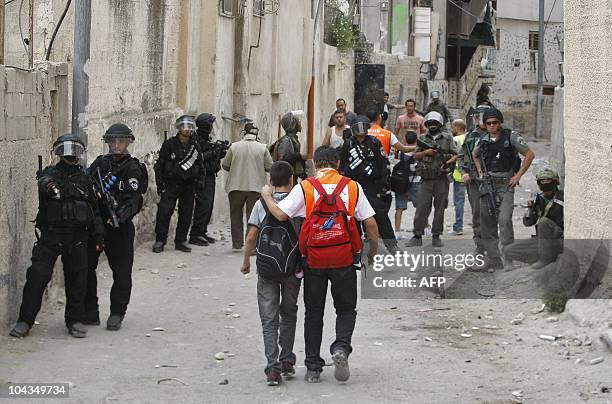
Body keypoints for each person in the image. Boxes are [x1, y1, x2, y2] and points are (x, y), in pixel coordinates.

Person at [260, 146, 379, 384]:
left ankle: (313, 367)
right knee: (346, 309)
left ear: (315, 164)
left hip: (313, 259)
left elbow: (281, 215)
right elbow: (371, 223)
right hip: (344, 258)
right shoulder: (352, 186)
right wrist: (371, 253)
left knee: (313, 312)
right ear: (337, 164)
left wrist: (266, 196)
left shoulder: (306, 187)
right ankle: (341, 348)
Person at [9, 134, 105, 338]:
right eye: (67, 150)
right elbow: (44, 184)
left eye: (75, 150)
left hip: (78, 237)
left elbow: (95, 210)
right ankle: (25, 321)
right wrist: (48, 186)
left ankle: (75, 321)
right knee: (37, 277)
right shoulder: (50, 174)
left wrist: (98, 236)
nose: (71, 154)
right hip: (52, 237)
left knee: (78, 280)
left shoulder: (86, 179)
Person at [240, 161, 301, 386]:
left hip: (266, 267)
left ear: (270, 182)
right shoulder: (298, 202)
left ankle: (272, 368)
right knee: (289, 312)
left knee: (269, 318)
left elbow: (251, 236)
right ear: (291, 180)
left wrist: (246, 261)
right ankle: (287, 360)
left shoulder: (261, 205)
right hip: (292, 268)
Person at [84, 123, 147, 331]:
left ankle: (117, 313)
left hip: (119, 227)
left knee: (121, 274)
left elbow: (135, 199)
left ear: (128, 142)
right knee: (85, 269)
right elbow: (87, 186)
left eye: (121, 141)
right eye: (113, 141)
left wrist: (120, 214)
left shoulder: (132, 167)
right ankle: (90, 312)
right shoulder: (100, 164)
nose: (117, 145)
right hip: (96, 225)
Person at [472, 108, 535, 271]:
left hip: (506, 184)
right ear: (484, 125)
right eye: (488, 123)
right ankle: (494, 260)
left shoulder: (511, 136)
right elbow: (475, 154)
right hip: (487, 184)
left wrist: (518, 175)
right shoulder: (483, 139)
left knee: (505, 220)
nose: (492, 126)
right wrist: (480, 171)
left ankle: (509, 258)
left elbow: (529, 154)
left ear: (500, 122)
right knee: (487, 223)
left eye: (495, 122)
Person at [340, 116, 398, 253]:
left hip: (372, 186)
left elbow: (383, 165)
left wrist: (384, 186)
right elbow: (342, 165)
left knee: (380, 215)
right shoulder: (348, 144)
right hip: (353, 186)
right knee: (353, 218)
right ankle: (356, 246)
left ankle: (392, 245)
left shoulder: (374, 142)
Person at [406, 111, 459, 248]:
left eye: (435, 123)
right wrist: (426, 153)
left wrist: (447, 164)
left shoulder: (447, 138)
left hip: (441, 179)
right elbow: (415, 156)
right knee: (422, 208)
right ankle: (417, 235)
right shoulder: (422, 138)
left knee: (440, 208)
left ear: (440, 124)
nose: (433, 125)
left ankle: (436, 235)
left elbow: (456, 155)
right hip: (426, 179)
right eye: (430, 123)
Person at [152, 115, 204, 253]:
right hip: (171, 184)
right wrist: (160, 183)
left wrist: (200, 184)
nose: (186, 129)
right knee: (164, 212)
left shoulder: (195, 146)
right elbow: (160, 165)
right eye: (184, 127)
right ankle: (160, 240)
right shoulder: (169, 144)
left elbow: (200, 165)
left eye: (189, 127)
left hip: (189, 185)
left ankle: (180, 240)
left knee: (186, 214)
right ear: (179, 128)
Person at [222, 122, 273, 250]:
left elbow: (225, 165)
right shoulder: (262, 148)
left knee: (235, 214)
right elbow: (270, 167)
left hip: (235, 187)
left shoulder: (234, 147)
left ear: (244, 133)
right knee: (253, 217)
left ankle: (237, 243)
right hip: (255, 188)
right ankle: (251, 244)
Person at [504, 168, 563, 269]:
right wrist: (531, 209)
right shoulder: (539, 198)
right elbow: (528, 223)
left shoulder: (562, 197)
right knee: (508, 250)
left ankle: (545, 259)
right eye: (542, 181)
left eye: (548, 181)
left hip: (558, 240)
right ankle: (541, 257)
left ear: (555, 182)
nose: (545, 183)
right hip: (542, 242)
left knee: (544, 222)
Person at [189, 113, 227, 246]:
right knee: (203, 205)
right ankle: (195, 234)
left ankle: (202, 231)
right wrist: (212, 152)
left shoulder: (206, 138)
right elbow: (197, 158)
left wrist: (220, 151)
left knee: (208, 205)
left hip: (210, 175)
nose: (212, 127)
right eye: (210, 124)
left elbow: (212, 156)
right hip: (201, 177)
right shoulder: (195, 139)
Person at [458, 105, 491, 254]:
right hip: (474, 180)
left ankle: (493, 246)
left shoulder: (498, 134)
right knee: (477, 214)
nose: (481, 120)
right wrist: (464, 172)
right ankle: (480, 246)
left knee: (492, 214)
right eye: (478, 117)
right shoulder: (471, 136)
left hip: (493, 181)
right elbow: (462, 156)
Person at [393, 131, 420, 239]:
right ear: (416, 140)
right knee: (419, 207)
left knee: (399, 207)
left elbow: (393, 163)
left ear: (405, 139)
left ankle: (397, 231)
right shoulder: (417, 152)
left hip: (400, 182)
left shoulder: (399, 153)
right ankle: (419, 228)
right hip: (414, 182)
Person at [271, 112, 307, 184]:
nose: (300, 123)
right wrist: (299, 156)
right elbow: (283, 159)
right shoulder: (286, 141)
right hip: (287, 179)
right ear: (293, 125)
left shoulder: (293, 139)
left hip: (292, 177)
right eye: (298, 121)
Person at [449, 119, 467, 236]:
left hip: (458, 174)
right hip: (469, 173)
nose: (451, 129)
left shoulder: (455, 140)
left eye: (452, 127)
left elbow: (454, 156)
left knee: (459, 202)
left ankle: (458, 227)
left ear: (457, 127)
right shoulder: (468, 138)